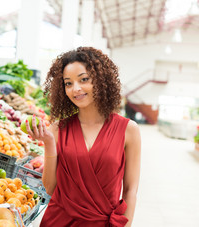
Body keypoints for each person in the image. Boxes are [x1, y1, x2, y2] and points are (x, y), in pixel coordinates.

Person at [24, 46, 141, 227]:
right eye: (68, 83)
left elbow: (131, 189)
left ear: (101, 80)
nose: (76, 89)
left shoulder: (128, 130)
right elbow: (50, 188)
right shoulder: (57, 129)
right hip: (58, 221)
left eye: (84, 79)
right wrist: (48, 143)